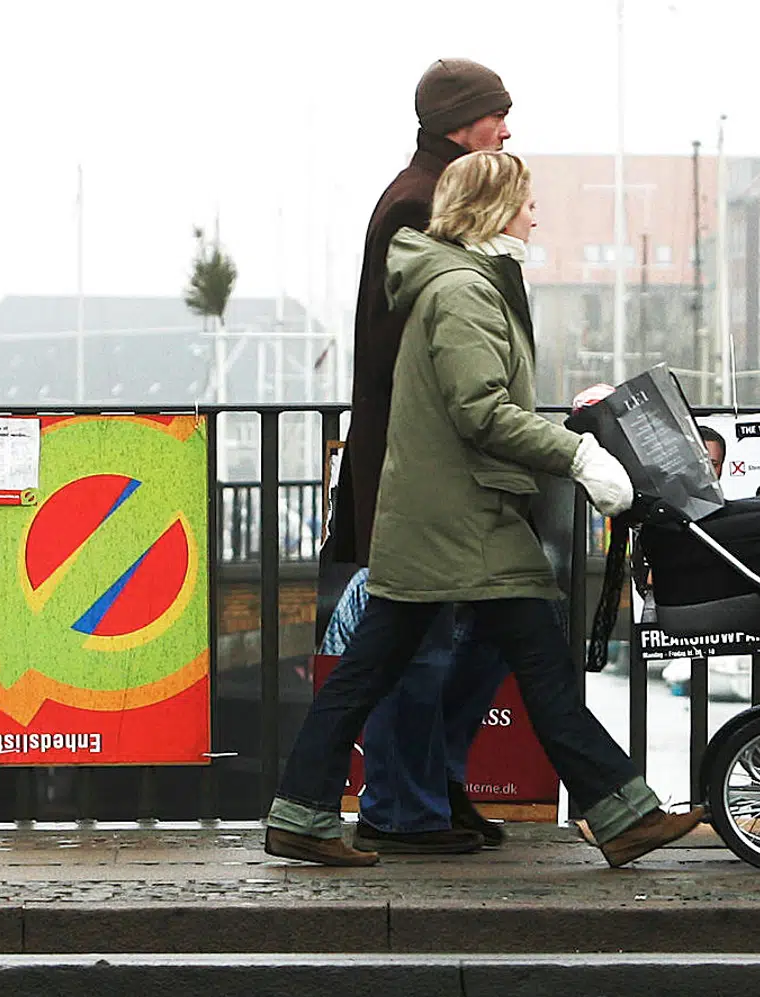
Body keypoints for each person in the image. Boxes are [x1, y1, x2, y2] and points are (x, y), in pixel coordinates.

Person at [266, 151, 705, 867]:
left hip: (457, 517)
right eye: (527, 202)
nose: (537, 215)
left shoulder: (461, 281)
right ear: (496, 209)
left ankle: (622, 810)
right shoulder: (465, 291)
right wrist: (580, 455)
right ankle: (620, 810)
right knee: (424, 666)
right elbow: (482, 413)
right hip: (457, 521)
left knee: (467, 662)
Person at [322, 57, 518, 855]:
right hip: (426, 469)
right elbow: (429, 358)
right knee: (426, 639)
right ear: (458, 124)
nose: (507, 128)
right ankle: (404, 806)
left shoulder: (432, 197)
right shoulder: (418, 205)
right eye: (496, 116)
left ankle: (429, 786)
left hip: (438, 466)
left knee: (486, 628)